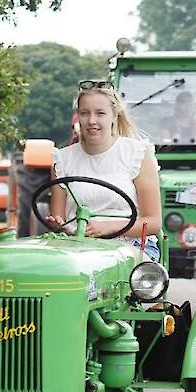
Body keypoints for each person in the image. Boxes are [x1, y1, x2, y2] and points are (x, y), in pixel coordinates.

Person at [45, 80, 162, 261]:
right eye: (85, 113)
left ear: (114, 116)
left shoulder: (137, 154)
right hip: (77, 245)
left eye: (100, 113)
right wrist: (57, 224)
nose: (92, 121)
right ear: (78, 117)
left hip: (130, 244)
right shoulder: (62, 159)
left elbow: (153, 222)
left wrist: (109, 227)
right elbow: (58, 222)